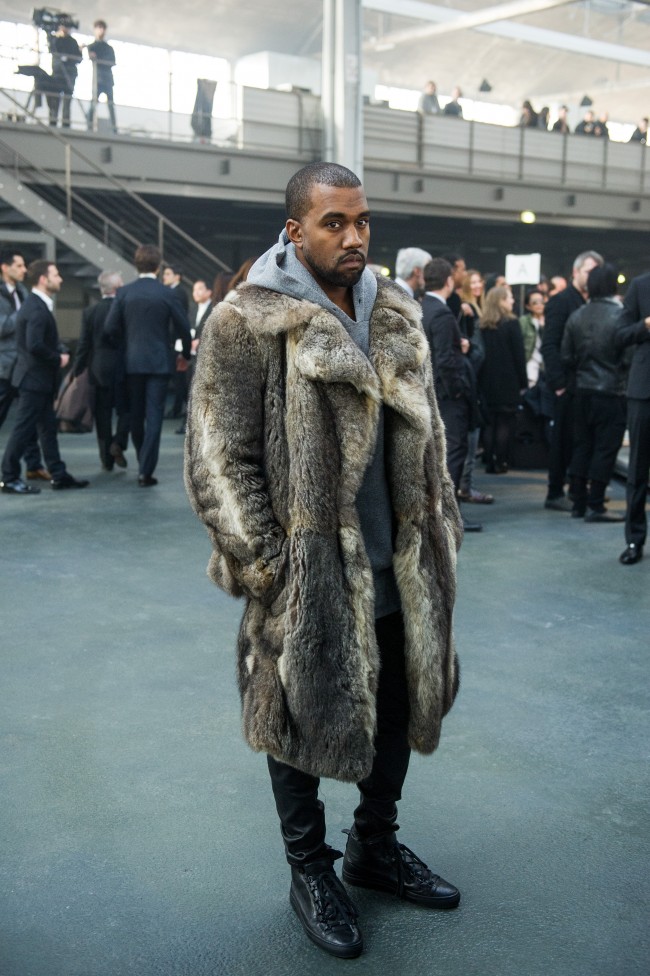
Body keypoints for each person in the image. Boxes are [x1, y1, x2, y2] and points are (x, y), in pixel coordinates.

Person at [185, 161, 463, 959]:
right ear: (294, 230)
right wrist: (271, 568)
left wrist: (439, 527)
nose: (354, 236)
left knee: (401, 704)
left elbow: (431, 436)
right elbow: (217, 457)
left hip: (400, 562)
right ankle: (310, 868)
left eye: (362, 221)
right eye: (334, 222)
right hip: (305, 573)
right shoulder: (247, 322)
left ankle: (374, 847)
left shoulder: (397, 309)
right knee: (294, 714)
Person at [104, 245, 191, 486]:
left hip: (132, 363)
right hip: (160, 363)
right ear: (158, 266)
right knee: (154, 417)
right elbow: (183, 327)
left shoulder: (124, 293)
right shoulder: (167, 293)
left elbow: (110, 328)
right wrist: (184, 353)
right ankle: (145, 470)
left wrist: (126, 345)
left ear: (136, 264)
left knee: (136, 415)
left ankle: (142, 458)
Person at [1, 260, 89, 494]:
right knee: (23, 430)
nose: (60, 279)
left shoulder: (35, 305)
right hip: (34, 380)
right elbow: (35, 345)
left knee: (47, 429)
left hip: (36, 380)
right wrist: (58, 358)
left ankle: (58, 474)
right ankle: (8, 477)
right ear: (43, 279)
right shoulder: (37, 308)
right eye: (56, 275)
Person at [560, 264, 627, 522]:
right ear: (614, 285)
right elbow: (629, 357)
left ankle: (577, 502)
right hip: (612, 392)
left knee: (582, 446)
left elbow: (566, 355)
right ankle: (596, 505)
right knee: (605, 449)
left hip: (581, 390)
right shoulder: (621, 316)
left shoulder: (577, 314)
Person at [422, 257, 482, 531]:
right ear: (448, 281)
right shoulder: (443, 314)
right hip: (447, 398)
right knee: (453, 452)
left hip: (430, 392)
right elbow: (445, 361)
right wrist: (458, 392)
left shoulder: (423, 307)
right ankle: (451, 515)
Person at [541, 250, 603, 511]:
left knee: (581, 441)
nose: (593, 277)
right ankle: (555, 492)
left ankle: (578, 490)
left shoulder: (593, 302)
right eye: (589, 271)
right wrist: (559, 384)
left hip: (585, 384)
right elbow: (550, 345)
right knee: (563, 441)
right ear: (576, 272)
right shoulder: (561, 301)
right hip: (567, 384)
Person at [73, 271, 129, 471]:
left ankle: (106, 460)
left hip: (98, 369)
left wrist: (76, 370)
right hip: (122, 368)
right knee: (126, 410)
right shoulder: (124, 309)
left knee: (102, 415)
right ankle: (119, 442)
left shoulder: (90, 312)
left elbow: (83, 344)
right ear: (117, 289)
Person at [0, 249, 49, 481]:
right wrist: (24, 315)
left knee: (27, 418)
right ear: (4, 267)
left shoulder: (22, 292)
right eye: (19, 266)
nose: (24, 270)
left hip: (21, 366)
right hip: (3, 366)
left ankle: (32, 465)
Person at [616, 270, 650, 563]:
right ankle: (634, 541)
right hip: (644, 391)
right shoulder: (640, 286)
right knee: (637, 468)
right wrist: (646, 325)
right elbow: (621, 333)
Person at [478, 285, 527, 474]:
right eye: (509, 298)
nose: (513, 301)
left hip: (487, 381)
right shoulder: (512, 324)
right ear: (500, 301)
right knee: (505, 422)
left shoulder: (482, 325)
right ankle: (501, 461)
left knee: (490, 422)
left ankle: (489, 460)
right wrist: (523, 383)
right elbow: (519, 356)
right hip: (508, 381)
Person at [457, 269, 492, 505]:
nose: (478, 285)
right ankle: (465, 488)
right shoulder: (466, 309)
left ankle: (466, 486)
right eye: (474, 282)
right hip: (470, 378)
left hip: (476, 378)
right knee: (468, 437)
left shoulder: (477, 308)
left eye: (480, 281)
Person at [174, 278, 214, 435]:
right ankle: (188, 423)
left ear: (208, 292)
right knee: (187, 389)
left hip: (204, 356)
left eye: (199, 289)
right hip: (189, 355)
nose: (195, 293)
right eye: (194, 290)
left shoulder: (214, 309)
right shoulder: (191, 309)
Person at [47, 17, 82, 128]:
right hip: (57, 74)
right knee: (54, 101)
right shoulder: (55, 39)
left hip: (70, 75)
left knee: (67, 101)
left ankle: (65, 124)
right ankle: (53, 123)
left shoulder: (72, 42)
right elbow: (52, 49)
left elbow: (78, 58)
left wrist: (67, 59)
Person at [87, 19, 117, 134]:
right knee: (93, 104)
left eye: (103, 28)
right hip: (97, 80)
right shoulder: (92, 46)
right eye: (99, 28)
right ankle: (89, 126)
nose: (101, 30)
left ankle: (114, 129)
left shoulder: (109, 48)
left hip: (108, 80)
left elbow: (112, 62)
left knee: (110, 106)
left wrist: (99, 59)